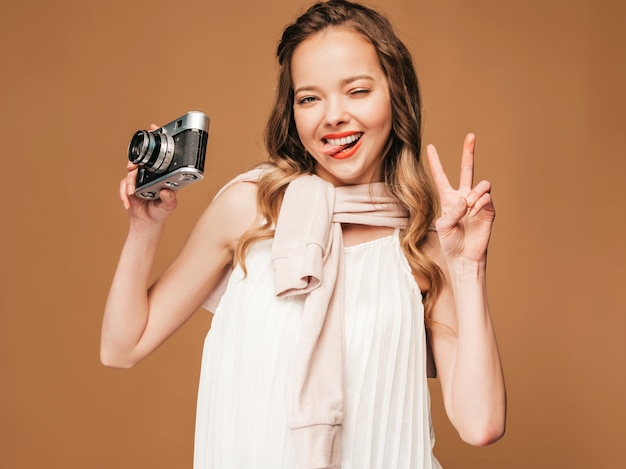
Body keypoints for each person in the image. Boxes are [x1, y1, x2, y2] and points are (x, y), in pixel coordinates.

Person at [101, 0, 506, 467]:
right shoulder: (250, 209)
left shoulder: (423, 243)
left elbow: (481, 423)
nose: (332, 116)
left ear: (396, 96)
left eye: (357, 91)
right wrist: (143, 230)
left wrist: (468, 266)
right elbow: (122, 346)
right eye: (309, 98)